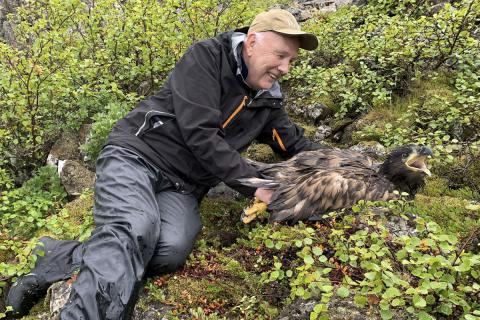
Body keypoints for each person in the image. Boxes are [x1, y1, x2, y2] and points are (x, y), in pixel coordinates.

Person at [5, 8, 322, 319]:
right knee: (134, 229)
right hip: (136, 156)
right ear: (252, 43)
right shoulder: (207, 58)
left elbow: (291, 143)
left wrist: (345, 171)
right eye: (280, 56)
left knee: (169, 251)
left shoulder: (267, 99)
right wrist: (257, 185)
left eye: (291, 60)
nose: (285, 68)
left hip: (183, 186)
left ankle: (54, 256)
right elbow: (200, 135)